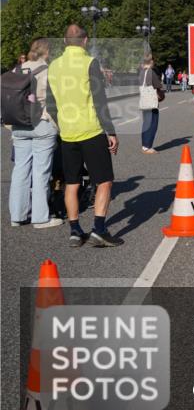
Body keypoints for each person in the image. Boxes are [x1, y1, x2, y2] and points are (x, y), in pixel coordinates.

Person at [46, 25, 122, 247]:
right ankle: (99, 229)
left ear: (64, 40)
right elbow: (99, 100)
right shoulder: (90, 63)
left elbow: (51, 104)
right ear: (85, 40)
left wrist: (63, 123)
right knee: (105, 180)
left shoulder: (54, 66)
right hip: (91, 130)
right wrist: (112, 132)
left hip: (68, 134)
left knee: (72, 183)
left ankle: (75, 230)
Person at [9, 38, 62, 229]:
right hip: (41, 124)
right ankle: (40, 218)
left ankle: (17, 215)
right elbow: (57, 99)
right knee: (41, 171)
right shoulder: (48, 70)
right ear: (46, 52)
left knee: (20, 170)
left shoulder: (18, 70)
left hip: (18, 124)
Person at [139, 53, 164, 154]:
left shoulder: (141, 73)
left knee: (146, 123)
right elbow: (158, 85)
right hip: (151, 102)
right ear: (151, 61)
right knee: (152, 123)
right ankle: (148, 146)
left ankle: (144, 145)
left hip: (144, 102)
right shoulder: (151, 72)